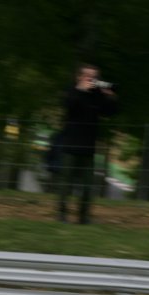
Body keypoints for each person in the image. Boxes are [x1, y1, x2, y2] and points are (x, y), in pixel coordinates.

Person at [54, 64, 117, 224]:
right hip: (70, 145)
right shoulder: (71, 91)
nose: (92, 79)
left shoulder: (97, 95)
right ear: (79, 77)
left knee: (88, 186)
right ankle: (62, 214)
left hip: (89, 147)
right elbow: (69, 106)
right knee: (65, 183)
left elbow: (109, 113)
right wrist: (80, 90)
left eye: (94, 76)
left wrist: (110, 96)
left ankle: (84, 217)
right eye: (88, 76)